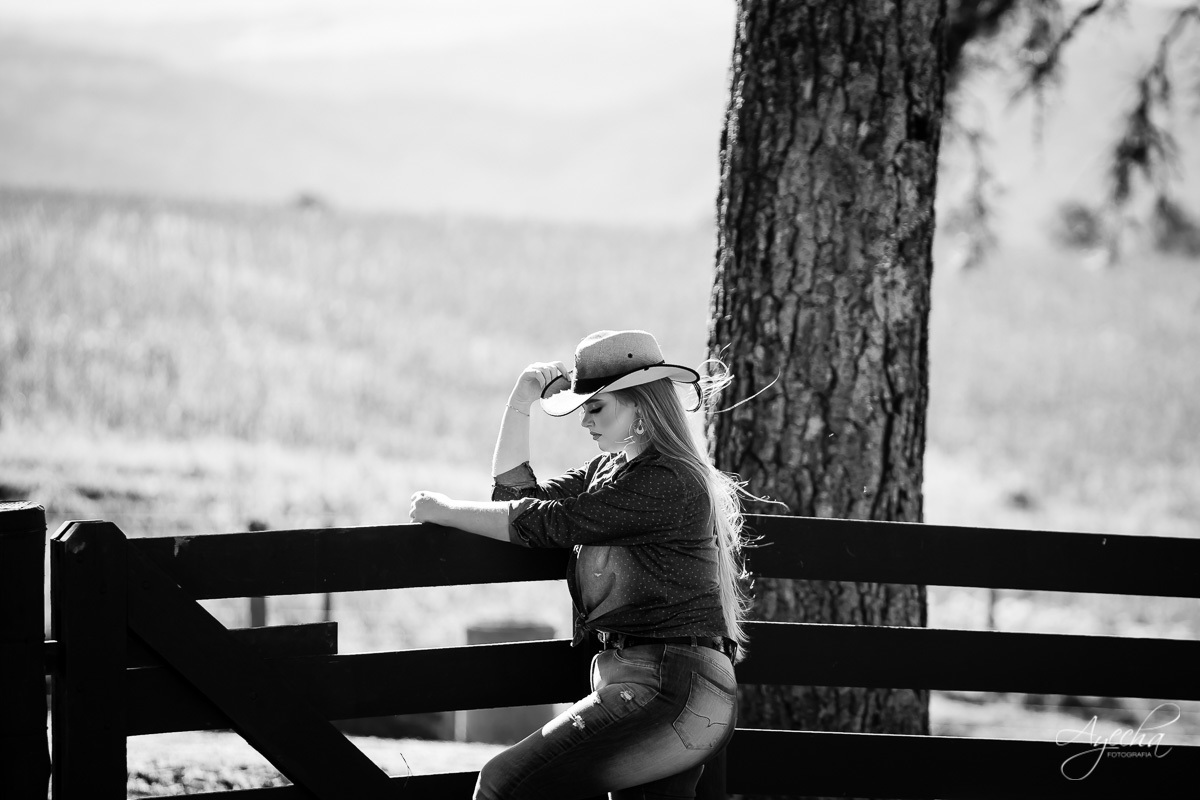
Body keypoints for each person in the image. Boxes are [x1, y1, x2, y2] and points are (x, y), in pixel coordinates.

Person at [409, 329, 753, 800]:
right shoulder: (611, 472)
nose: (584, 421)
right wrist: (521, 402)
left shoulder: (667, 480)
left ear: (641, 407)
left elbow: (546, 523)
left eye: (596, 408)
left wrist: (446, 510)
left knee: (501, 784)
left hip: (670, 690)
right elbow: (516, 499)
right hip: (662, 687)